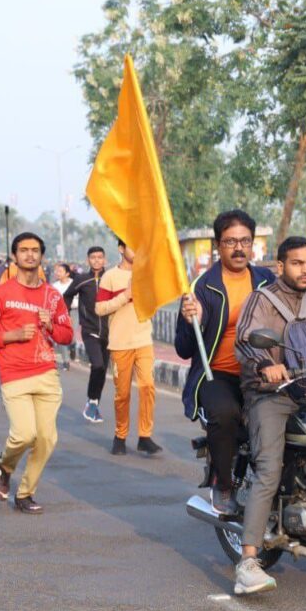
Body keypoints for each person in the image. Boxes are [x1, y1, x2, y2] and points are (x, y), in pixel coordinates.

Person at [232, 236, 306, 595]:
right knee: (269, 467)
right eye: (298, 263)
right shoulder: (262, 299)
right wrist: (267, 365)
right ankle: (249, 561)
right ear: (280, 266)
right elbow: (247, 339)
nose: (305, 270)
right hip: (273, 394)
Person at [176, 210, 275, 514]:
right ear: (218, 246)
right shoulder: (203, 288)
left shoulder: (267, 280)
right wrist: (190, 320)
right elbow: (183, 349)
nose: (239, 248)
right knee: (225, 413)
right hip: (217, 373)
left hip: (262, 370)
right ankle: (223, 482)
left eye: (245, 241)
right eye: (231, 241)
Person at [0, 232, 73, 514]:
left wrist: (50, 327)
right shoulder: (1, 294)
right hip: (14, 373)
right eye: (23, 250)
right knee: (23, 434)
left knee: (46, 439)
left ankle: (25, 494)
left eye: (35, 250)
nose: (29, 255)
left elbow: (67, 335)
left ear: (42, 256)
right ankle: (3, 466)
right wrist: (13, 334)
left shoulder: (52, 296)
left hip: (46, 373)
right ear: (15, 256)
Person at [95, 238, 162, 456]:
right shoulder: (110, 277)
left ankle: (145, 435)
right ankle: (120, 435)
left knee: (147, 386)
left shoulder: (146, 274)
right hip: (120, 342)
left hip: (143, 339)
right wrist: (126, 295)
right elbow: (100, 308)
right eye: (132, 246)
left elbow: (153, 304)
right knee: (122, 394)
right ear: (121, 249)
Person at [64, 247, 108, 423]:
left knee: (103, 369)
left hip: (109, 332)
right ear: (88, 260)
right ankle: (91, 400)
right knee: (97, 365)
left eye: (100, 257)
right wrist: (63, 316)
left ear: (104, 259)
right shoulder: (81, 280)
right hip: (89, 330)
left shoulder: (110, 278)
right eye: (93, 257)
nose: (97, 260)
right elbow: (66, 297)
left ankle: (94, 403)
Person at [51, 263, 75, 371]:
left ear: (67, 273)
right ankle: (66, 361)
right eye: (57, 271)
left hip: (73, 311)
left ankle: (73, 346)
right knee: (62, 336)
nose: (58, 273)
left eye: (60, 271)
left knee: (72, 336)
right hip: (59, 313)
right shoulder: (54, 286)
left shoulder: (74, 284)